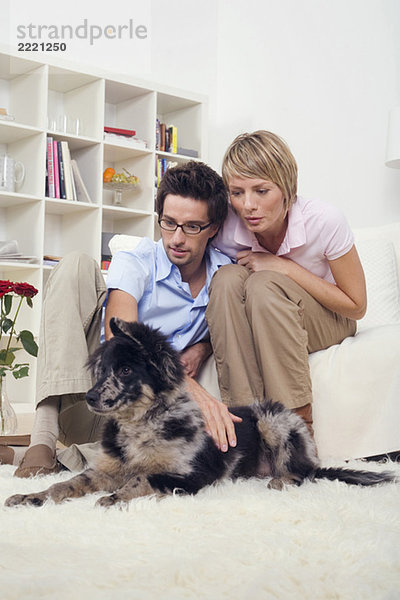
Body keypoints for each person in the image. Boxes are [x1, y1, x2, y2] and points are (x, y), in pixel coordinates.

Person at [0, 161, 240, 476]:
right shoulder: (136, 259)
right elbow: (121, 340)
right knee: (75, 265)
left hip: (144, 420)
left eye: (192, 226)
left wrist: (203, 347)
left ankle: (31, 457)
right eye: (168, 223)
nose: (176, 239)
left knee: (167, 443)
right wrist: (189, 386)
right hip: (92, 397)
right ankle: (42, 438)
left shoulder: (225, 275)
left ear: (214, 228)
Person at [206, 130, 367, 435]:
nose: (248, 205)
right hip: (263, 315)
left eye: (261, 191)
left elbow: (356, 306)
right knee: (226, 279)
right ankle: (246, 427)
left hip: (330, 318)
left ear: (287, 188)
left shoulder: (324, 220)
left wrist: (285, 267)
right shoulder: (226, 225)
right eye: (237, 192)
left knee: (264, 284)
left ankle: (296, 434)